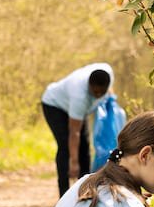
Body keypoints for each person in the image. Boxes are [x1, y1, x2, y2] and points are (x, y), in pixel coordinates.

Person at [42, 63, 114, 197]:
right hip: (54, 105)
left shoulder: (107, 72)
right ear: (89, 86)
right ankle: (64, 194)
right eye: (95, 92)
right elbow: (74, 132)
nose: (98, 95)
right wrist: (74, 163)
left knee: (85, 145)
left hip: (78, 107)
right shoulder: (79, 96)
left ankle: (86, 192)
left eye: (101, 92)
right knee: (65, 147)